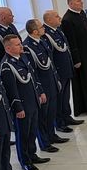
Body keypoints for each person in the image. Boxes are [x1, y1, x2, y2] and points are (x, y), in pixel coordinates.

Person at [0, 35, 48, 170]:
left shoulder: (22, 58)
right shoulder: (7, 66)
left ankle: (32, 154)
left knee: (32, 131)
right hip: (22, 106)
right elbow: (11, 90)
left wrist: (40, 91)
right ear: (8, 48)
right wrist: (18, 107)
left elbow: (32, 76)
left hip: (32, 101)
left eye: (20, 43)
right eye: (17, 45)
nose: (21, 46)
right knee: (23, 135)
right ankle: (25, 161)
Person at [22, 19, 68, 153]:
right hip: (42, 87)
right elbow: (33, 72)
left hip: (51, 83)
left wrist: (56, 79)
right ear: (35, 31)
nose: (44, 29)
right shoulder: (28, 48)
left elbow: (50, 63)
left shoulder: (42, 41)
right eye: (42, 27)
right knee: (43, 117)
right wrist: (39, 91)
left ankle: (52, 135)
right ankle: (44, 142)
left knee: (51, 113)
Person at [41, 10, 83, 132]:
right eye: (56, 16)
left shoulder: (58, 30)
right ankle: (59, 122)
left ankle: (67, 116)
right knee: (59, 98)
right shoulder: (46, 35)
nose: (59, 18)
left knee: (65, 95)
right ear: (48, 20)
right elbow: (50, 56)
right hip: (58, 71)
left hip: (66, 68)